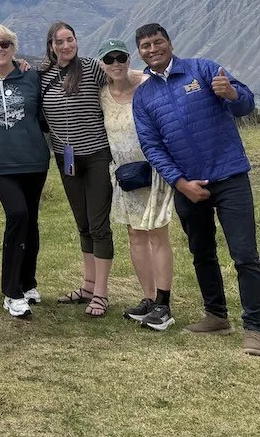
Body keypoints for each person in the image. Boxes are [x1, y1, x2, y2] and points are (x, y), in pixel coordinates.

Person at [131, 23, 260, 356]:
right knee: (202, 253)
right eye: (145, 46)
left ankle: (255, 328)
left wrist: (233, 94)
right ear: (140, 52)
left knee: (245, 255)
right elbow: (151, 146)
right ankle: (216, 315)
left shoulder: (203, 69)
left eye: (158, 42)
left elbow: (246, 104)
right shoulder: (144, 96)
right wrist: (180, 183)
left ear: (169, 43)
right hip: (187, 185)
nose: (152, 49)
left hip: (230, 175)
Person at [97, 37, 176, 331]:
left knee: (157, 233)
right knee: (135, 234)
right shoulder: (102, 94)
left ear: (129, 58)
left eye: (121, 57)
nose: (116, 64)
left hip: (153, 169)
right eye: (109, 59)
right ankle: (148, 297)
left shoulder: (148, 85)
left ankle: (163, 304)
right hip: (124, 173)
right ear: (103, 65)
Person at [38, 21, 115, 318]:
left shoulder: (93, 68)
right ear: (51, 46)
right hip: (66, 158)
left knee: (99, 226)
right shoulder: (42, 76)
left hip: (96, 155)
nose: (66, 45)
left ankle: (101, 293)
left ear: (76, 41)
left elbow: (120, 79)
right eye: (60, 42)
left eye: (70, 39)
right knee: (82, 223)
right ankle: (88, 284)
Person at [0, 24, 50, 319]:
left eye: (4, 44)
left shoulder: (31, 76)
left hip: (34, 160)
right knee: (17, 214)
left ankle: (28, 282)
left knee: (31, 221)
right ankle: (11, 291)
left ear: (14, 47)